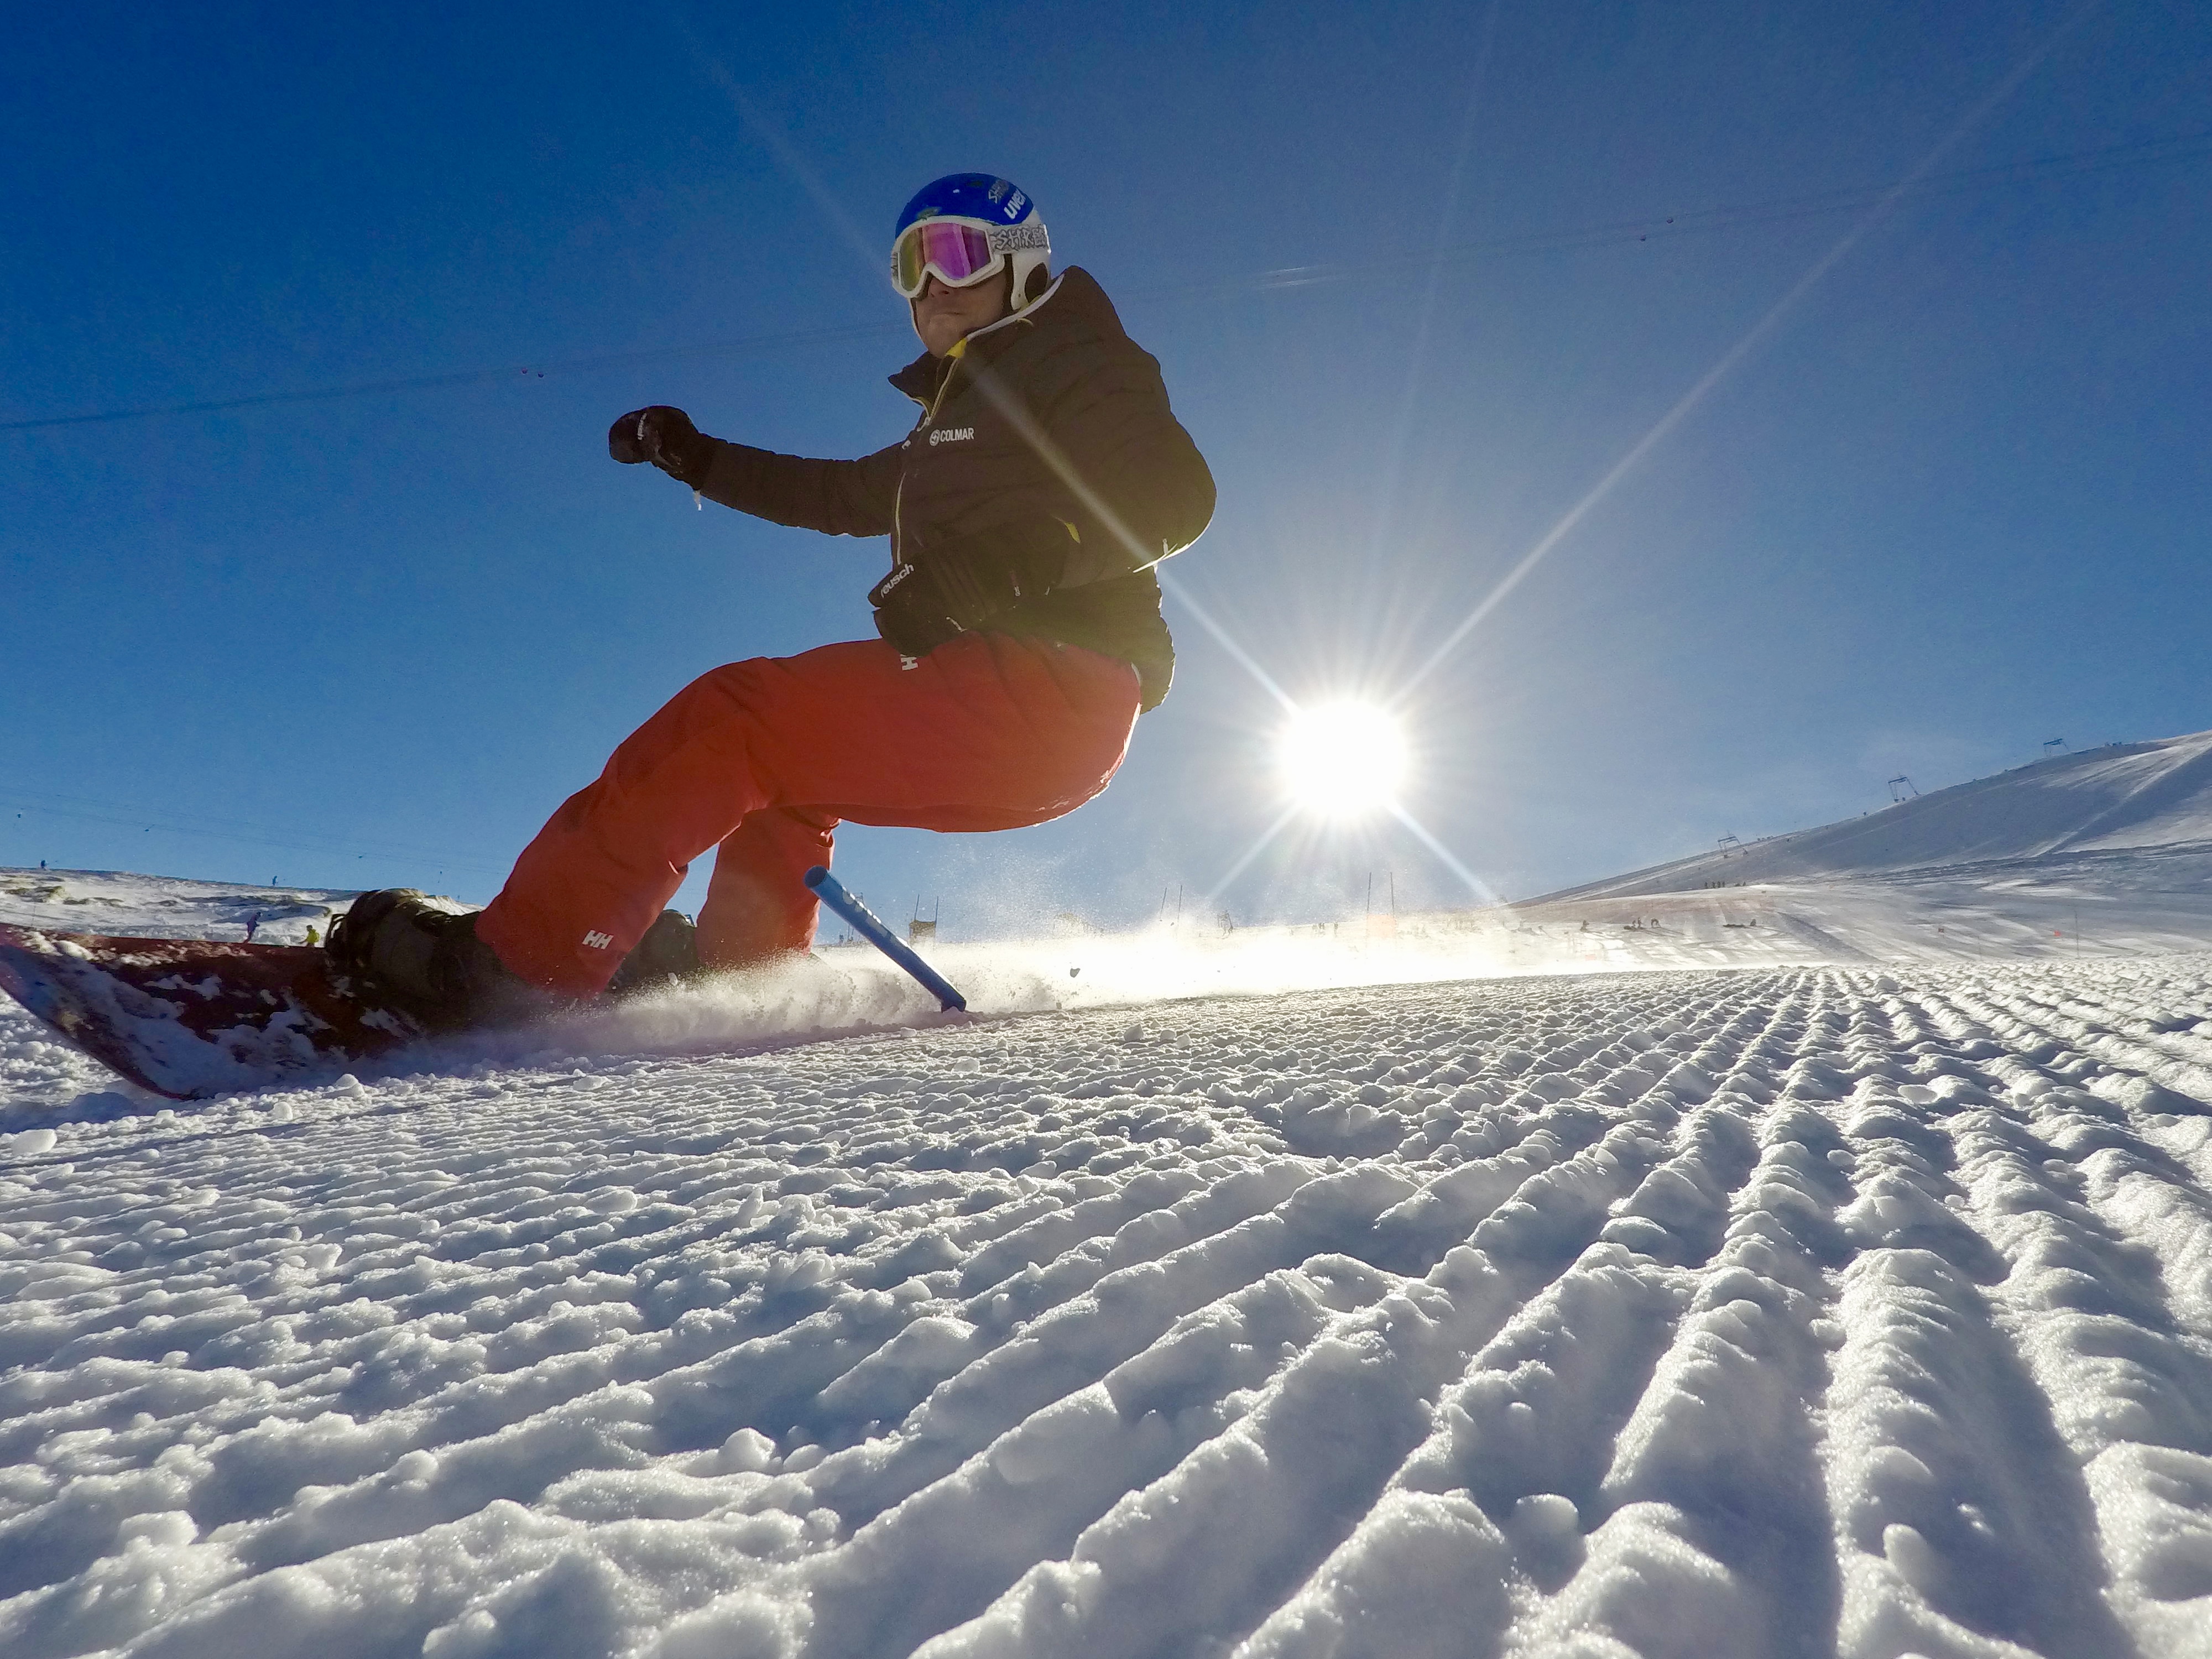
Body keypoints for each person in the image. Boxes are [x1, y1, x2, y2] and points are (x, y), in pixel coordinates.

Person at [329, 173, 1214, 1026]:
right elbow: (835, 495)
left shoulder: (1074, 356)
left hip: (1056, 688)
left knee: (737, 716)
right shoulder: (955, 425)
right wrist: (697, 458)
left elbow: (1174, 495)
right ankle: (745, 981)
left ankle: (520, 968)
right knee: (792, 776)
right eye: (911, 266)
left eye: (956, 254)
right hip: (1018, 705)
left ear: (1021, 262)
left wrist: (996, 568)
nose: (932, 286)